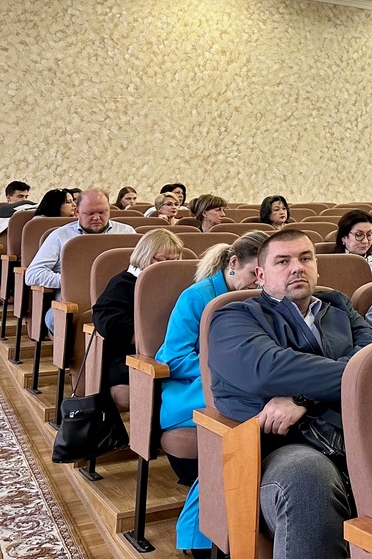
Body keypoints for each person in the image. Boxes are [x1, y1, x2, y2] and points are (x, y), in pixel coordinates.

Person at [208, 229, 372, 559]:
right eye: (283, 261)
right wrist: (345, 375)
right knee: (307, 478)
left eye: (305, 258)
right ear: (260, 275)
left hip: (357, 432)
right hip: (281, 445)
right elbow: (268, 369)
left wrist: (302, 398)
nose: (297, 267)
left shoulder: (338, 306)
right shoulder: (234, 317)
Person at [156, 231, 268, 554]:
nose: (259, 282)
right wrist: (227, 368)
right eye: (254, 273)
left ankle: (240, 530)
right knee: (247, 424)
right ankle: (197, 532)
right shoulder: (196, 297)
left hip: (242, 388)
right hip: (191, 392)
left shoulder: (262, 297)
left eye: (264, 274)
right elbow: (173, 358)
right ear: (233, 263)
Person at [25, 189, 136, 329]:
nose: (96, 218)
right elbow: (33, 274)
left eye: (102, 212)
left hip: (118, 303)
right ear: (77, 212)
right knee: (54, 320)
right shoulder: (60, 236)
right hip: (73, 304)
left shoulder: (127, 232)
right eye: (90, 213)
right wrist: (71, 282)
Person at [92, 229, 183, 388]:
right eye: (162, 260)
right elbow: (108, 323)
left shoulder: (178, 283)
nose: (168, 266)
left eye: (174, 260)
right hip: (131, 354)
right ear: (145, 256)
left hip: (173, 351)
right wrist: (147, 336)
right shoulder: (123, 284)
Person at [0, 181, 36, 306]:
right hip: (7, 256)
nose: (24, 200)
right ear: (8, 198)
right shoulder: (2, 212)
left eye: (26, 196)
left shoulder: (31, 213)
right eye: (20, 196)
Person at [334, 209, 372, 274]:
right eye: (359, 235)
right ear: (343, 237)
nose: (365, 241)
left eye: (369, 235)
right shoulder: (331, 263)